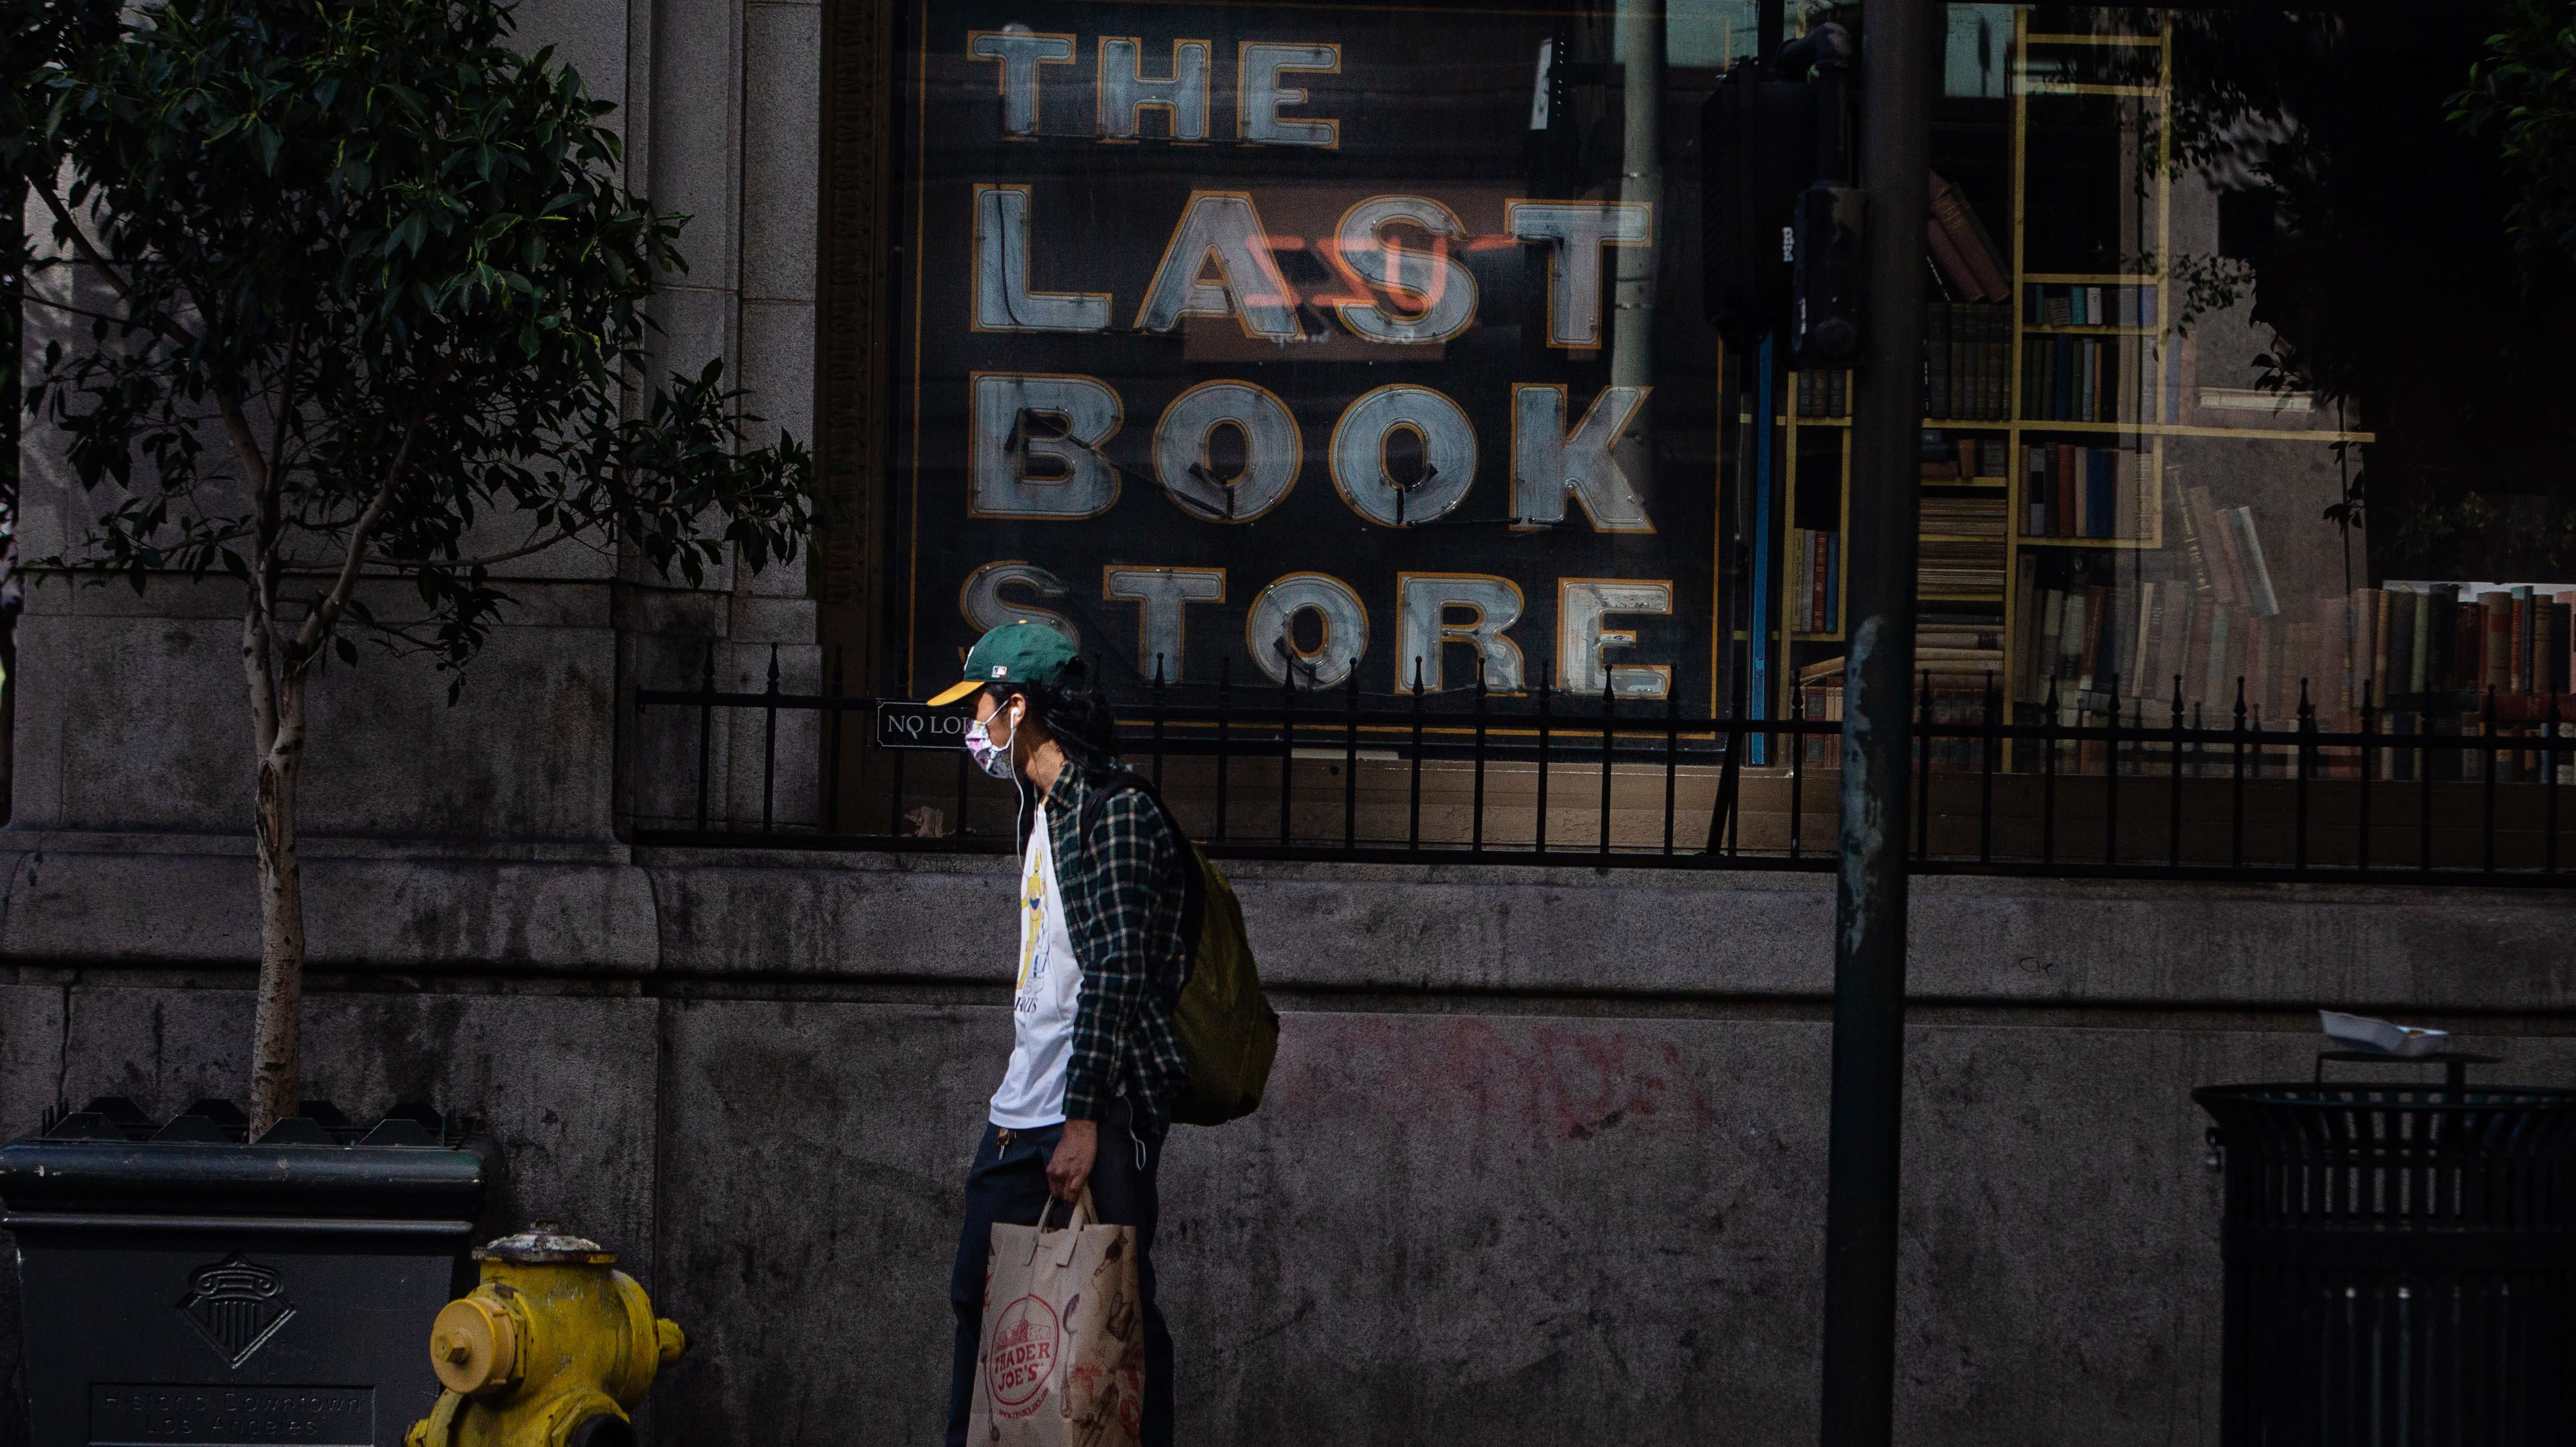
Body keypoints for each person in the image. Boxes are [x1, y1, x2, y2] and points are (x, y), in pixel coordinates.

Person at [932, 622, 1188, 1447]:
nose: (973, 725)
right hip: (1021, 1109)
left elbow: (1116, 973)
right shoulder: (1044, 811)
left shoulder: (1114, 814)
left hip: (1086, 1117)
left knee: (1112, 1325)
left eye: (980, 705)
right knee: (983, 1307)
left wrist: (1083, 1120)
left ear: (1019, 706)